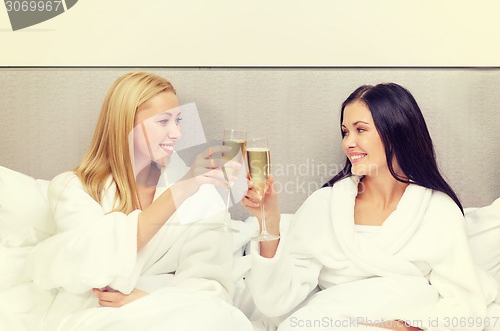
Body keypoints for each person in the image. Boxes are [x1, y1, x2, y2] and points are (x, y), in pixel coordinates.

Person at [243, 83, 498, 331]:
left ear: (396, 132)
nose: (348, 143)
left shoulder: (438, 211)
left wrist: (406, 327)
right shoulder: (324, 205)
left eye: (360, 130)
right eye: (345, 132)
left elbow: (463, 302)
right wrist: (270, 222)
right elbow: (275, 300)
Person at [24, 71, 252, 331]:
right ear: (126, 124)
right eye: (163, 121)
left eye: (178, 120)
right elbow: (93, 265)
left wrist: (150, 299)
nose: (177, 133)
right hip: (99, 314)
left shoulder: (199, 195)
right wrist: (180, 191)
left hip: (174, 315)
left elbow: (211, 287)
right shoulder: (74, 188)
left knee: (223, 318)